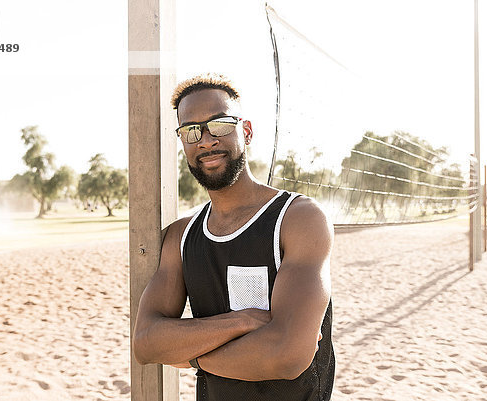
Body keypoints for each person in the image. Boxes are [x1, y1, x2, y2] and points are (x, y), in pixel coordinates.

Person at [133, 73, 335, 400]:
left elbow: (288, 356)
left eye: (221, 125)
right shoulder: (181, 237)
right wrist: (240, 322)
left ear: (247, 131)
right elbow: (145, 343)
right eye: (191, 130)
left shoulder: (298, 218)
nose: (206, 140)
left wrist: (192, 355)